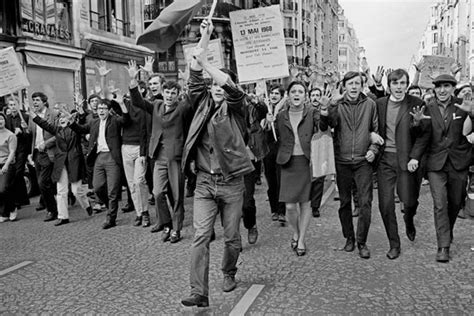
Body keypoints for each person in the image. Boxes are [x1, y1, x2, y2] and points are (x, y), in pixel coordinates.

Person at [181, 19, 254, 307]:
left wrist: (213, 68)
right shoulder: (201, 103)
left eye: (220, 84)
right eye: (214, 85)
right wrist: (206, 37)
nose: (217, 88)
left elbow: (233, 89)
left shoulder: (237, 109)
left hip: (231, 182)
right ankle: (199, 292)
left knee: (232, 237)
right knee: (200, 236)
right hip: (204, 183)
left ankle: (229, 270)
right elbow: (195, 74)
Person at [127, 60, 191, 242]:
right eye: (167, 92)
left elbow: (191, 99)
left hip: (175, 157)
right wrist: (134, 78)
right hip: (159, 157)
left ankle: (176, 229)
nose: (170, 96)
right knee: (157, 193)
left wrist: (186, 82)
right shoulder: (156, 106)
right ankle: (167, 223)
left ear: (178, 94)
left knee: (178, 196)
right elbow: (137, 100)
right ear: (163, 92)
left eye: (173, 93)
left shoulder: (182, 107)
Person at [412, 74, 472, 262]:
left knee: (455, 202)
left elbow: (470, 130)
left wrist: (472, 113)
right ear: (434, 89)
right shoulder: (427, 108)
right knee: (440, 204)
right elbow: (421, 137)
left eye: (446, 86)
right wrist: (417, 124)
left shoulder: (464, 104)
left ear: (453, 88)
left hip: (458, 162)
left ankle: (448, 230)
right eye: (439, 87)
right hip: (435, 164)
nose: (442, 90)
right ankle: (443, 246)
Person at [322, 72, 380, 259]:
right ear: (344, 85)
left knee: (365, 203)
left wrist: (373, 149)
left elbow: (375, 130)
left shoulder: (370, 104)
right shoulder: (337, 104)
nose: (354, 87)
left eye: (358, 83)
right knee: (345, 203)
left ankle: (362, 242)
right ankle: (349, 238)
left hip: (363, 161)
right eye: (350, 83)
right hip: (342, 161)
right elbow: (327, 125)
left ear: (362, 85)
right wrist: (330, 105)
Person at [268, 81, 327, 256]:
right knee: (290, 207)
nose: (297, 94)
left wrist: (324, 110)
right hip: (287, 163)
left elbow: (323, 127)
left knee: (306, 203)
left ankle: (301, 239)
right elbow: (272, 137)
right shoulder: (280, 115)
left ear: (305, 95)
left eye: (300, 91)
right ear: (288, 95)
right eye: (293, 91)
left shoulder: (312, 112)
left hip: (307, 162)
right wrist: (267, 122)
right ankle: (295, 231)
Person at [375, 69, 425, 260]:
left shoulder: (417, 104)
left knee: (409, 201)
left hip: (407, 160)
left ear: (407, 85)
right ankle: (394, 244)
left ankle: (409, 219)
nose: (398, 87)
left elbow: (423, 136)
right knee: (386, 204)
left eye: (402, 83)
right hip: (385, 160)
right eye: (395, 83)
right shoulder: (380, 104)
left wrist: (414, 157)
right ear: (389, 85)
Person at [68, 95, 130, 229]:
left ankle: (111, 217)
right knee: (97, 187)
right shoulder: (94, 122)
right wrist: (71, 123)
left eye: (104, 108)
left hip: (112, 158)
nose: (101, 111)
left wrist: (121, 104)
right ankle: (110, 206)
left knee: (112, 189)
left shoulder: (114, 121)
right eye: (99, 108)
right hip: (99, 158)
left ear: (109, 110)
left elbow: (126, 119)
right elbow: (81, 129)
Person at [29, 106, 93, 226]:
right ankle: (63, 217)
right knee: (61, 191)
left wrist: (76, 115)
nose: (62, 119)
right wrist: (35, 117)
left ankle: (86, 205)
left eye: (64, 117)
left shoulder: (75, 129)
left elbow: (82, 127)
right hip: (61, 163)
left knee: (76, 191)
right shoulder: (57, 130)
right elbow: (45, 125)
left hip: (74, 162)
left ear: (69, 119)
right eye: (60, 118)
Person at [243, 93, 269, 244]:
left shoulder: (251, 108)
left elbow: (263, 111)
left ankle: (251, 225)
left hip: (248, 158)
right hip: (228, 160)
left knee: (247, 201)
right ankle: (233, 239)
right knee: (230, 204)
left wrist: (256, 101)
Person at [27, 92, 58, 222]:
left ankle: (52, 210)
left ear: (44, 102)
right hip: (36, 153)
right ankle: (55, 203)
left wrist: (46, 143)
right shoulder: (31, 116)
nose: (35, 102)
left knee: (43, 182)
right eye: (33, 100)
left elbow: (58, 133)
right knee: (43, 184)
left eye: (37, 100)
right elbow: (31, 134)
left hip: (48, 152)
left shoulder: (53, 114)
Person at [263, 84, 287, 223]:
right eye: (272, 93)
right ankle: (274, 210)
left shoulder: (285, 110)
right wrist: (267, 119)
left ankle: (282, 211)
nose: (273, 95)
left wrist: (276, 117)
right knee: (271, 182)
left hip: (281, 149)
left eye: (277, 93)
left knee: (281, 181)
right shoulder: (265, 109)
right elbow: (260, 128)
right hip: (268, 151)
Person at [5, 97, 31, 212]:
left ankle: (16, 200)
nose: (13, 107)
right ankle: (22, 199)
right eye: (10, 105)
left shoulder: (25, 116)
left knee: (18, 172)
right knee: (13, 174)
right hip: (11, 149)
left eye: (14, 104)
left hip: (21, 149)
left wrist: (22, 132)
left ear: (18, 105)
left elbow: (30, 135)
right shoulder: (7, 118)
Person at [309, 87, 326, 218]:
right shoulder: (306, 111)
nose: (315, 97)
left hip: (322, 146)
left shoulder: (325, 111)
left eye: (317, 95)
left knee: (319, 178)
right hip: (307, 147)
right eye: (313, 95)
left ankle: (315, 206)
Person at [0, 113, 17, 222]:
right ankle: (4, 213)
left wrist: (6, 165)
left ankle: (12, 208)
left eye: (1, 119)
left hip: (8, 164)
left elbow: (12, 152)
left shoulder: (10, 135)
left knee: (3, 188)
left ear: (5, 120)